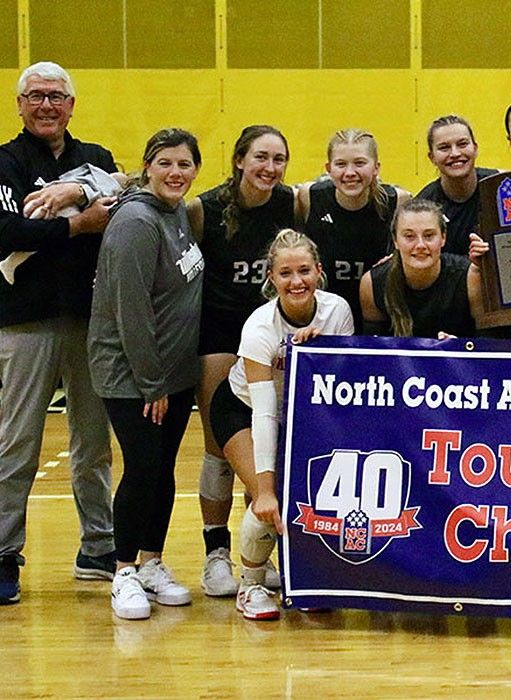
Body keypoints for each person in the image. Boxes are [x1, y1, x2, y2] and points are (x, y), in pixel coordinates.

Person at [0, 61, 119, 604]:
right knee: (16, 443)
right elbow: (7, 229)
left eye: (56, 96)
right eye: (36, 96)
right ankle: (4, 554)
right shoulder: (5, 162)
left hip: (90, 320)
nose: (46, 105)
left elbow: (118, 201)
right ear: (20, 105)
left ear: (72, 105)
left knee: (93, 442)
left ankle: (99, 545)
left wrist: (71, 193)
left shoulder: (94, 158)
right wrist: (76, 221)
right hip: (23, 323)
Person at [88, 128, 204, 620]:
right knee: (141, 468)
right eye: (166, 164)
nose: (176, 173)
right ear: (147, 166)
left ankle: (153, 562)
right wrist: (151, 383)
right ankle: (124, 571)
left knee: (161, 469)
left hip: (172, 374)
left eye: (184, 165)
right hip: (134, 376)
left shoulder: (175, 212)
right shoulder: (136, 221)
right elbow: (131, 310)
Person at [209, 229, 353, 620]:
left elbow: (342, 385)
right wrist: (267, 489)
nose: (296, 281)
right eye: (285, 273)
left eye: (304, 270)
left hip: (299, 414)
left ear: (319, 272)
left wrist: (319, 351)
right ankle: (250, 585)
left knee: (309, 498)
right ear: (271, 279)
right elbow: (264, 413)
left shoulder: (337, 311)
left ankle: (298, 574)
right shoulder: (259, 328)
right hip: (241, 409)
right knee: (270, 501)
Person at [188, 125, 293, 598]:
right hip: (219, 335)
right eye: (260, 158)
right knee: (219, 449)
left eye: (278, 159)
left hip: (269, 333)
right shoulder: (203, 210)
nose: (269, 168)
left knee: (267, 449)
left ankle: (261, 554)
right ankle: (216, 553)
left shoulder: (293, 203)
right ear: (238, 160)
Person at [296, 128, 409, 332]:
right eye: (341, 164)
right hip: (325, 320)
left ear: (376, 167)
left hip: (380, 318)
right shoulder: (308, 197)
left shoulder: (398, 201)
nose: (350, 173)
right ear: (328, 169)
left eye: (359, 163)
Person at [360, 198, 482, 338]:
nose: (420, 245)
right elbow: (373, 352)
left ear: (443, 237)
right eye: (409, 236)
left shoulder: (469, 277)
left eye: (429, 235)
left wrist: (458, 348)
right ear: (395, 241)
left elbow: (489, 346)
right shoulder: (371, 283)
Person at [416, 115, 498, 257]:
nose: (455, 153)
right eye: (444, 147)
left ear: (475, 148)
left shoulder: (499, 187)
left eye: (462, 144)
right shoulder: (423, 207)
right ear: (432, 157)